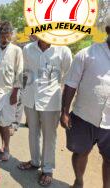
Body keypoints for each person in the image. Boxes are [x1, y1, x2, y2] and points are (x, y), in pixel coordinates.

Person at [61, 16, 110, 188]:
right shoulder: (87, 54)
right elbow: (71, 84)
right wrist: (65, 112)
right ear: (109, 30)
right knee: (80, 152)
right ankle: (79, 180)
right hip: (84, 117)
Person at [18, 35, 72, 186]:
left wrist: (66, 108)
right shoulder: (28, 49)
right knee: (32, 132)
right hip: (30, 99)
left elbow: (69, 77)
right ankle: (35, 161)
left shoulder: (63, 50)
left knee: (49, 136)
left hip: (50, 102)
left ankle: (47, 169)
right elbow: (24, 72)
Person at [0, 21, 23, 161]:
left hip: (9, 92)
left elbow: (19, 73)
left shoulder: (16, 50)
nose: (5, 39)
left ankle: (6, 148)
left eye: (8, 36)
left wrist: (15, 93)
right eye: (2, 36)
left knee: (6, 123)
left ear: (11, 35)